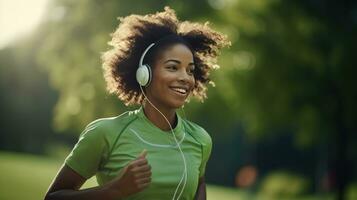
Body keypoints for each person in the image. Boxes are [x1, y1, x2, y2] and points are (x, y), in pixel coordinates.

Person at [45, 7, 229, 200]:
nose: (185, 78)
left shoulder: (200, 140)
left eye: (190, 70)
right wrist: (114, 190)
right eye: (173, 67)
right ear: (145, 74)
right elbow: (52, 197)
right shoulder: (106, 133)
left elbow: (199, 185)